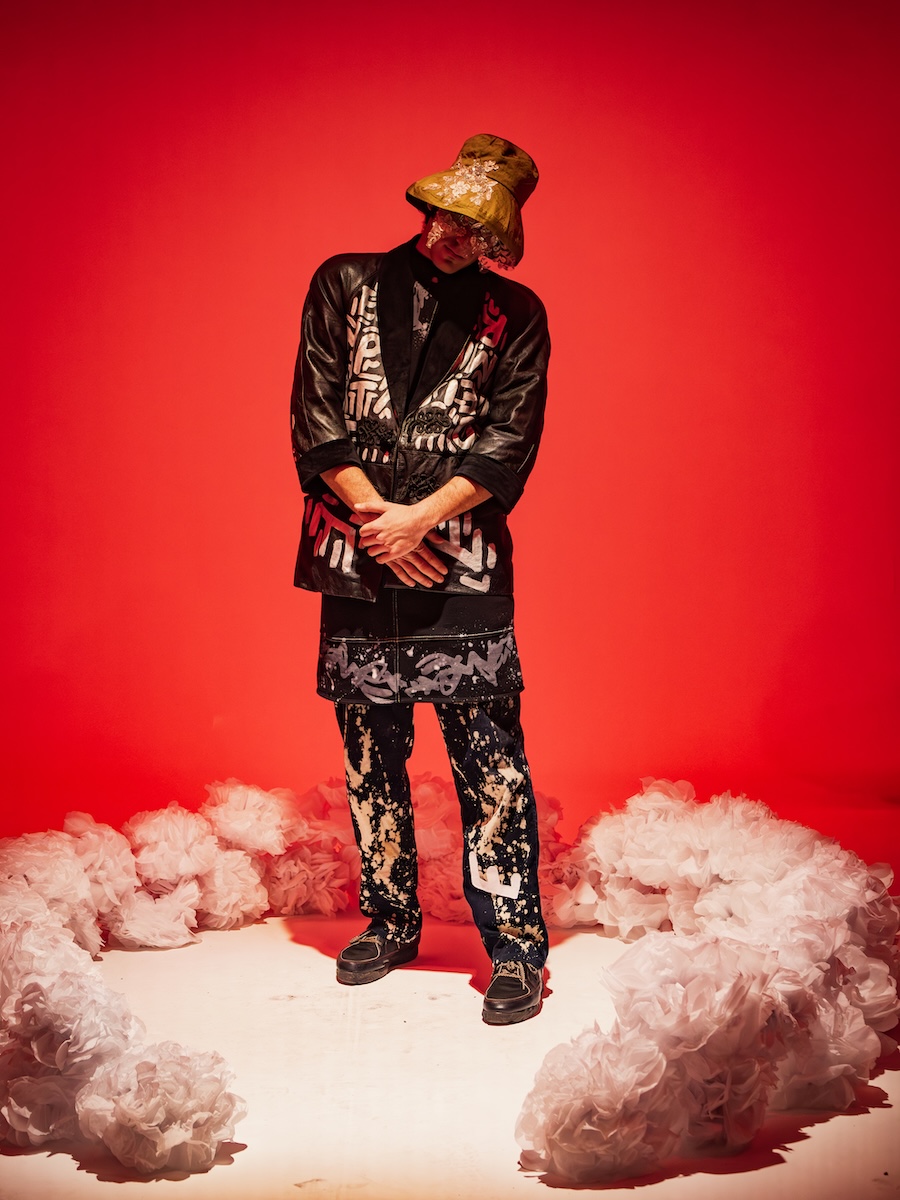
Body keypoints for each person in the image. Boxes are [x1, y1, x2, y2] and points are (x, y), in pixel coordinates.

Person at [290, 134, 550, 1025]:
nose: (451, 235)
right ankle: (391, 920)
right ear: (426, 205)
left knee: (491, 760)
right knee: (370, 754)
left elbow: (508, 443)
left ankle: (516, 946)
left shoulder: (517, 314)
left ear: (498, 239)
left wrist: (420, 520)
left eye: (474, 228)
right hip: (357, 553)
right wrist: (381, 523)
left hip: (461, 559)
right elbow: (315, 418)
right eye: (444, 215)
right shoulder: (343, 282)